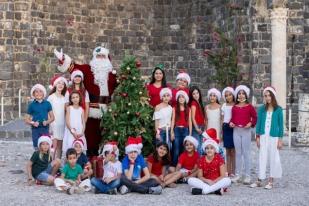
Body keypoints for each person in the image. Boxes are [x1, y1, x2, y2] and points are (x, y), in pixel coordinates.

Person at [54, 46, 117, 157]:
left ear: (108, 58)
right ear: (94, 57)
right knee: (90, 135)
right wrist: (63, 59)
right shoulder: (87, 69)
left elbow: (122, 85)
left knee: (104, 135)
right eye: (98, 56)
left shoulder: (112, 74)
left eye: (103, 56)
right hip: (91, 109)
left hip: (107, 111)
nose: (101, 58)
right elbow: (72, 67)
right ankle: (89, 156)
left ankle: (103, 158)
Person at [250, 86, 283, 190]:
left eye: (269, 95)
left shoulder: (278, 109)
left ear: (273, 96)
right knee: (262, 157)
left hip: (274, 137)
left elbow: (281, 125)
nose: (267, 97)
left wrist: (280, 140)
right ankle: (260, 179)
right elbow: (258, 124)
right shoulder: (261, 109)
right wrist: (257, 137)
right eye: (266, 95)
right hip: (263, 136)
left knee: (274, 158)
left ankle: (271, 180)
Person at [230, 85, 257, 184]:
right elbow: (232, 119)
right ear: (237, 95)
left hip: (246, 131)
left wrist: (250, 123)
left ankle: (248, 175)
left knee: (246, 153)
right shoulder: (234, 107)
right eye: (239, 93)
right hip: (236, 131)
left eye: (243, 93)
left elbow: (254, 117)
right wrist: (231, 123)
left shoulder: (250, 107)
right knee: (238, 153)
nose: (241, 95)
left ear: (246, 95)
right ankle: (238, 175)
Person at [25, 84, 54, 150]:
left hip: (45, 128)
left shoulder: (47, 103)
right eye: (36, 92)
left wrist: (47, 122)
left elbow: (52, 118)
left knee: (45, 146)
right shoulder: (31, 105)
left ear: (43, 93)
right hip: (35, 129)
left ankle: (45, 159)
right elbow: (26, 120)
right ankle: (37, 159)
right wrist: (33, 123)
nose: (38, 93)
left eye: (40, 91)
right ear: (33, 94)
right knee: (37, 146)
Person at [47, 75, 68, 159]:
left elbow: (66, 112)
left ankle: (58, 164)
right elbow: (48, 112)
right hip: (53, 124)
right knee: (53, 146)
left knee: (60, 147)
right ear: (55, 85)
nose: (60, 85)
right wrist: (50, 125)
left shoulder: (64, 98)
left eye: (62, 84)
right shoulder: (51, 97)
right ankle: (51, 164)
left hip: (62, 124)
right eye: (59, 83)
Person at [171, 90, 192, 167]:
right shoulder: (174, 108)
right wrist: (172, 132)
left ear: (185, 99)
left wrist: (189, 134)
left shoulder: (188, 109)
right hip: (176, 130)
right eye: (180, 97)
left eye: (183, 97)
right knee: (176, 150)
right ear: (177, 98)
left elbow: (190, 122)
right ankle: (174, 166)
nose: (181, 98)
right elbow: (173, 120)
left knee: (184, 150)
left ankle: (183, 166)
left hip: (185, 130)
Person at [221, 87, 236, 177]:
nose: (228, 97)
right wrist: (222, 131)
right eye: (226, 95)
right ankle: (228, 170)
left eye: (230, 95)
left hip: (233, 127)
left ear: (233, 95)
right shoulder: (224, 106)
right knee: (227, 150)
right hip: (226, 127)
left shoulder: (235, 105)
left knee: (233, 151)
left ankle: (233, 171)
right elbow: (222, 119)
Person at [189, 86, 206, 155]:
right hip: (196, 127)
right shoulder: (193, 103)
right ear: (191, 95)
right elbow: (193, 117)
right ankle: (198, 163)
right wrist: (196, 128)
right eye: (194, 94)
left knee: (201, 145)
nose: (196, 95)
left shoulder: (199, 103)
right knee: (197, 146)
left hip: (201, 126)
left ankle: (200, 162)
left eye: (197, 93)